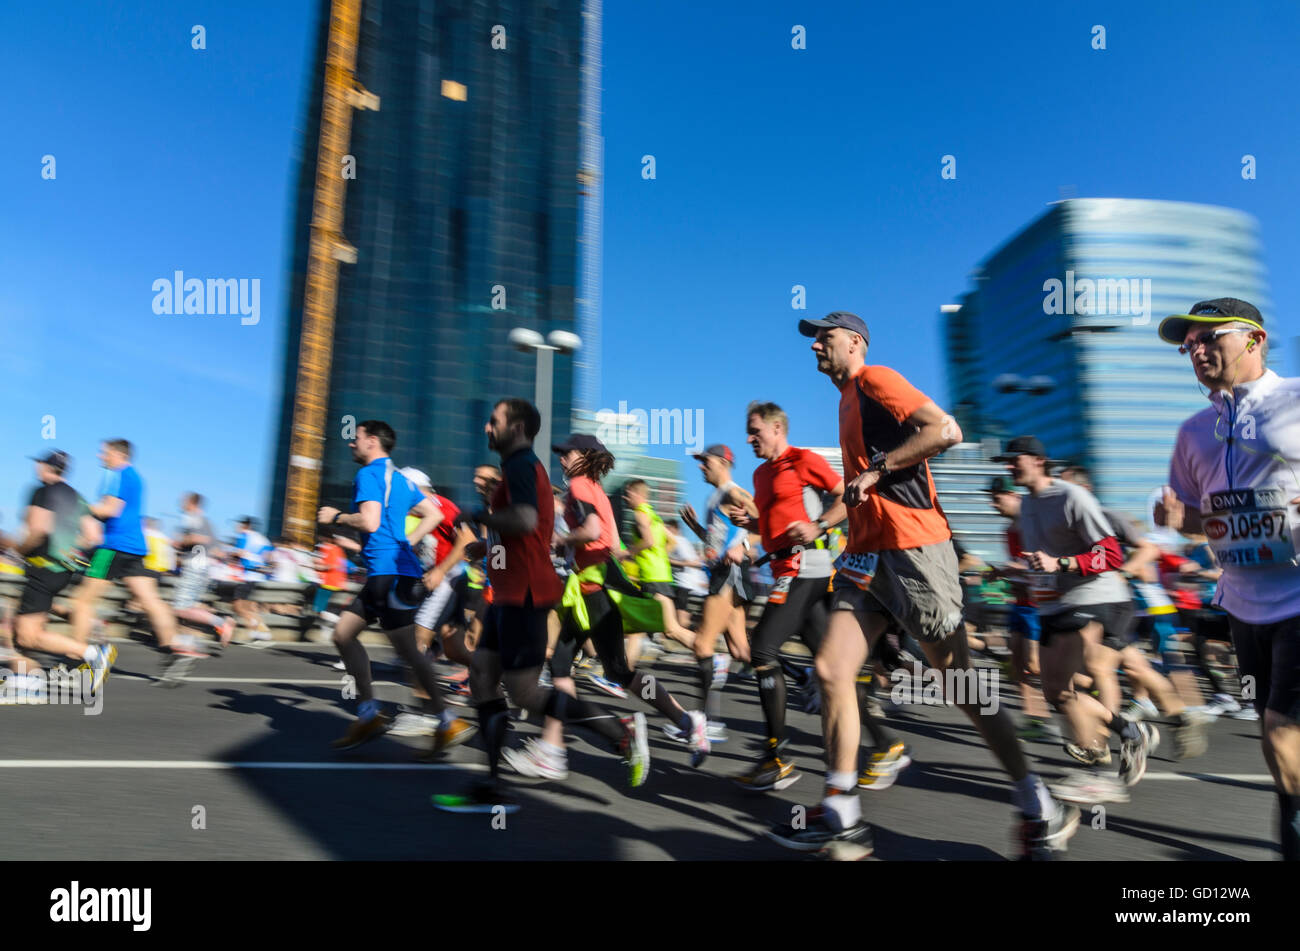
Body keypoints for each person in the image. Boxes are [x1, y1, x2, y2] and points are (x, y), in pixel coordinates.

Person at [766, 311, 1075, 859]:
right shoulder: (844, 401)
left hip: (914, 548)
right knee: (831, 669)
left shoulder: (876, 379)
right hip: (866, 556)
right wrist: (818, 525)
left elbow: (945, 429)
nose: (815, 344)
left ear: (855, 342)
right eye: (813, 338)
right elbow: (855, 489)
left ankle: (1038, 803)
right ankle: (841, 811)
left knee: (959, 684)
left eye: (826, 336)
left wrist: (879, 469)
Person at [432, 402, 650, 813]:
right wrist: (487, 545)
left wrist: (481, 515)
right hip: (508, 593)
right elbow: (521, 530)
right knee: (481, 677)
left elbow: (527, 519)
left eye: (493, 422)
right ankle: (493, 786)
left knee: (526, 692)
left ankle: (619, 733)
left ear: (514, 427)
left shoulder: (519, 465)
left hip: (526, 596)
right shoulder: (520, 469)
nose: (486, 427)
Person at [1154, 297, 1300, 860]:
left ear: (1255, 340)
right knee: (1278, 742)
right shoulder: (1194, 431)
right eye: (1189, 345)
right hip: (1243, 606)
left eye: (1210, 339)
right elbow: (1197, 519)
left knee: (1283, 735)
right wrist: (1177, 520)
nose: (1197, 351)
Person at [500, 434, 709, 782]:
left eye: (567, 453)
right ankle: (686, 721)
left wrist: (563, 540)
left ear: (585, 456)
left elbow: (594, 529)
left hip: (593, 590)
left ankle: (555, 751)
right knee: (610, 671)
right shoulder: (595, 488)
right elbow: (610, 542)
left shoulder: (580, 487)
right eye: (561, 454)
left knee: (573, 667)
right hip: (595, 587)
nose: (562, 459)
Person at [999, 435, 1157, 805]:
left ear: (1038, 460)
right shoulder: (1027, 506)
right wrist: (1020, 571)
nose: (1009, 467)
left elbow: (1111, 554)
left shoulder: (1072, 497)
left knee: (1083, 677)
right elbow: (1045, 559)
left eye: (1014, 460)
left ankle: (1098, 774)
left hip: (1093, 597)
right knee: (1057, 691)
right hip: (1055, 604)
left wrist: (1063, 564)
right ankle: (1131, 731)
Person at [317, 419, 475, 757]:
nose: (351, 444)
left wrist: (336, 517)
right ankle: (369, 713)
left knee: (410, 651)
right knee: (343, 635)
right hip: (386, 574)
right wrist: (407, 542)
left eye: (355, 439)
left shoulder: (369, 474)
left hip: (389, 576)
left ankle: (448, 721)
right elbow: (432, 514)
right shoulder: (401, 479)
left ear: (372, 442)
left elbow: (370, 521)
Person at [70, 439, 193, 683]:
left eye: (104, 452)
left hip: (113, 546)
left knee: (81, 602)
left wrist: (79, 508)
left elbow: (110, 510)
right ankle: (173, 647)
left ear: (117, 454)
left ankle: (79, 660)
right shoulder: (136, 477)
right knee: (150, 600)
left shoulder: (115, 475)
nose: (99, 456)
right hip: (136, 546)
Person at [1, 450, 115, 693]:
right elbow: (94, 536)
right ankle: (25, 678)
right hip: (63, 571)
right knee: (19, 622)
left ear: (45, 466)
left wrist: (16, 549)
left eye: (39, 463)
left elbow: (38, 531)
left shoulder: (42, 491)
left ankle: (93, 654)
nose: (37, 467)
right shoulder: (78, 497)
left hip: (42, 568)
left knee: (27, 636)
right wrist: (70, 553)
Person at [677, 444, 755, 742]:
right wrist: (696, 527)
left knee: (702, 644)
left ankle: (708, 721)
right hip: (722, 574)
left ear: (723, 462)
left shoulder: (732, 493)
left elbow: (766, 520)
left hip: (728, 576)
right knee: (741, 651)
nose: (700, 466)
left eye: (704, 461)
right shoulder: (715, 498)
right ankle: (803, 677)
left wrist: (745, 546)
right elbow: (715, 542)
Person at [170, 493, 234, 650]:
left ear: (192, 503)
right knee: (188, 607)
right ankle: (187, 640)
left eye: (184, 500)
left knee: (181, 608)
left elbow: (199, 538)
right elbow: (215, 547)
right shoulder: (205, 521)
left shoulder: (193, 517)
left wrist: (179, 542)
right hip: (201, 566)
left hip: (195, 566)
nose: (181, 503)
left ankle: (221, 623)